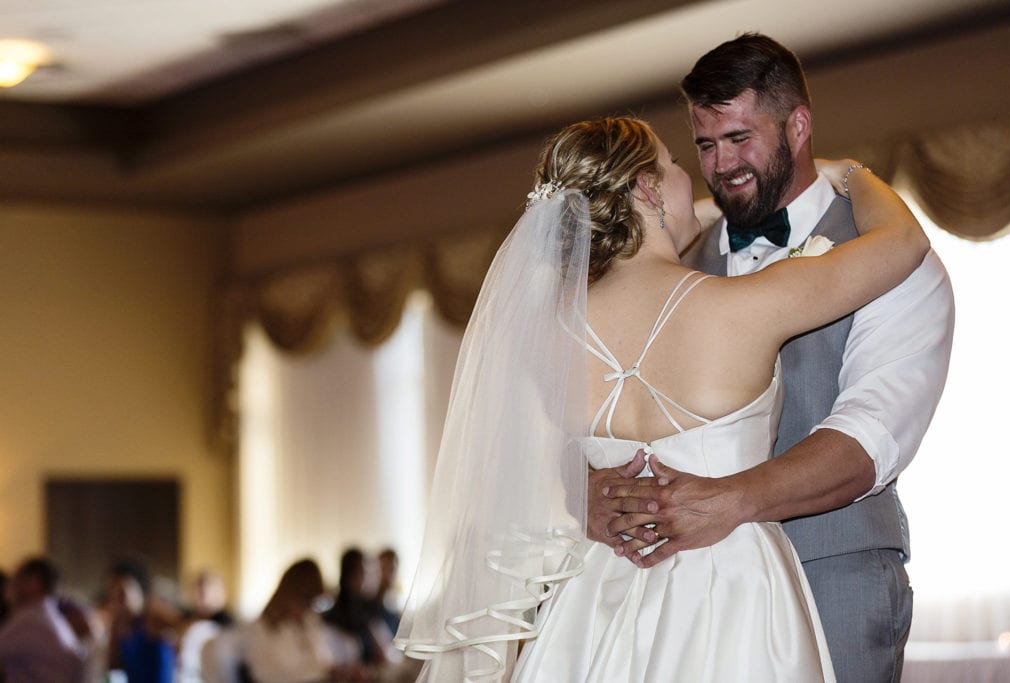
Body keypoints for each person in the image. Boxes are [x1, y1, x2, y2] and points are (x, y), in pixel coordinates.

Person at [397, 112, 931, 680]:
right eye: (675, 164)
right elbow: (902, 242)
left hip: (592, 600)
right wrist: (849, 174)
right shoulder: (743, 308)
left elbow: (518, 471)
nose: (689, 180)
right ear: (649, 187)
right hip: (729, 591)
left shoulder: (542, 334)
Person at [588, 34, 955, 682]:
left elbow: (868, 437)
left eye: (739, 138)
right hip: (681, 591)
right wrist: (588, 488)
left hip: (831, 579)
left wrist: (730, 498)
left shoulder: (893, 260)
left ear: (799, 125)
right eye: (704, 144)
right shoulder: (671, 255)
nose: (721, 164)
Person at [240, 558, 371, 683]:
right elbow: (271, 675)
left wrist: (340, 671)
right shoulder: (260, 629)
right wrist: (327, 672)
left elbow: (324, 659)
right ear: (288, 593)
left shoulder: (309, 622)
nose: (305, 609)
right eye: (303, 600)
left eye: (309, 603)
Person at [0, 556, 87, 683]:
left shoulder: (29, 619)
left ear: (34, 584)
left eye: (17, 579)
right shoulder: (48, 615)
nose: (10, 587)